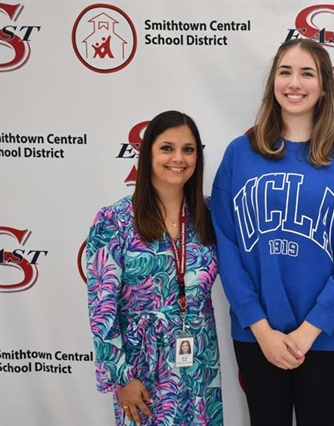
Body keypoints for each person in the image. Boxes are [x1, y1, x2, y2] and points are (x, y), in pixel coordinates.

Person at [210, 38, 334, 426]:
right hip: (258, 334)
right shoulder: (240, 153)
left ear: (323, 87)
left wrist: (310, 330)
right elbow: (227, 245)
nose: (294, 83)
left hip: (326, 335)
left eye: (307, 73)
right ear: (272, 82)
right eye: (285, 72)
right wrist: (260, 327)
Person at [86, 110, 223, 426]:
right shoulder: (115, 220)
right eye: (167, 148)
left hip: (199, 361)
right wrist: (121, 377)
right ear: (147, 153)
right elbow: (101, 309)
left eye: (188, 149)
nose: (179, 158)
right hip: (141, 368)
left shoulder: (212, 213)